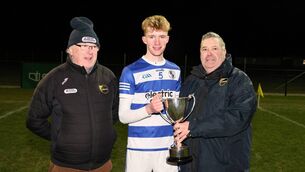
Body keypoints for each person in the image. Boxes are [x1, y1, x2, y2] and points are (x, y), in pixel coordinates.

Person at [26, 16, 119, 172]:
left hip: (102, 164)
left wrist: (103, 133)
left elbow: (114, 113)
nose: (89, 50)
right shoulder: (54, 78)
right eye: (83, 45)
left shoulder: (108, 77)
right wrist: (60, 137)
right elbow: (34, 120)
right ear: (69, 49)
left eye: (93, 46)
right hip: (67, 166)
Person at [173, 32, 257, 172]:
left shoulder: (239, 80)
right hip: (190, 164)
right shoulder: (191, 81)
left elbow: (237, 117)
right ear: (200, 53)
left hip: (225, 165)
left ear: (224, 52)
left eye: (214, 48)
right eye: (204, 49)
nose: (209, 53)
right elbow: (181, 115)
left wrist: (193, 127)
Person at [118, 15, 181, 172]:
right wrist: (149, 109)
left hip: (167, 149)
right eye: (152, 36)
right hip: (139, 150)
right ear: (144, 39)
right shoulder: (130, 71)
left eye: (161, 36)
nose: (157, 42)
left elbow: (176, 113)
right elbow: (123, 116)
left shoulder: (175, 71)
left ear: (167, 39)